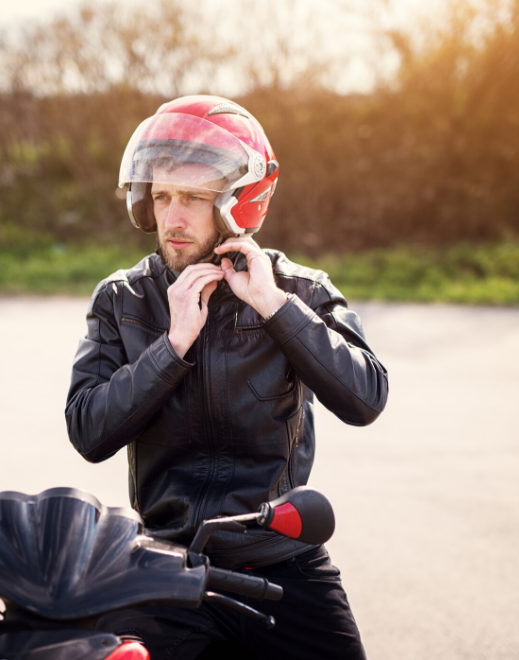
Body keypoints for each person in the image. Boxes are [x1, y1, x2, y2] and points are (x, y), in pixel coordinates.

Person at [65, 95, 389, 659]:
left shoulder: (300, 290)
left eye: (193, 197)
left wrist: (274, 306)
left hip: (280, 558)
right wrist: (172, 347)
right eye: (162, 196)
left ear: (242, 202)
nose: (172, 217)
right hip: (163, 563)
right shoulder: (122, 298)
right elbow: (88, 431)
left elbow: (366, 397)